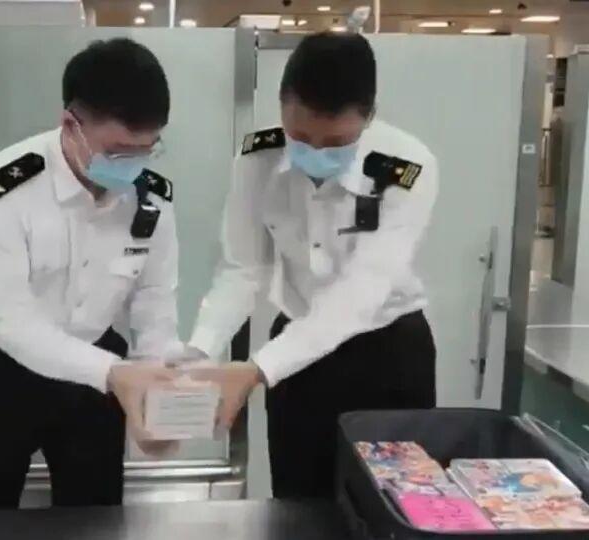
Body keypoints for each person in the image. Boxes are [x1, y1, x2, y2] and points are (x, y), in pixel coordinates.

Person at [188, 32, 440, 499]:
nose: (317, 153)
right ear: (282, 107)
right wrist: (200, 350)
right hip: (297, 360)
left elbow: (361, 292)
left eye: (337, 142)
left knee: (390, 502)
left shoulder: (406, 166)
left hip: (388, 353)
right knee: (297, 500)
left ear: (369, 116)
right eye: (301, 138)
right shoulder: (257, 159)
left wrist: (257, 368)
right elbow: (243, 268)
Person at [0, 38, 182, 512]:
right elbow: (9, 318)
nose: (133, 167)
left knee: (94, 515)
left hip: (96, 365)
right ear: (71, 125)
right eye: (118, 152)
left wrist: (156, 394)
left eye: (146, 150)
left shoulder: (152, 198)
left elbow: (154, 298)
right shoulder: (1, 191)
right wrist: (116, 375)